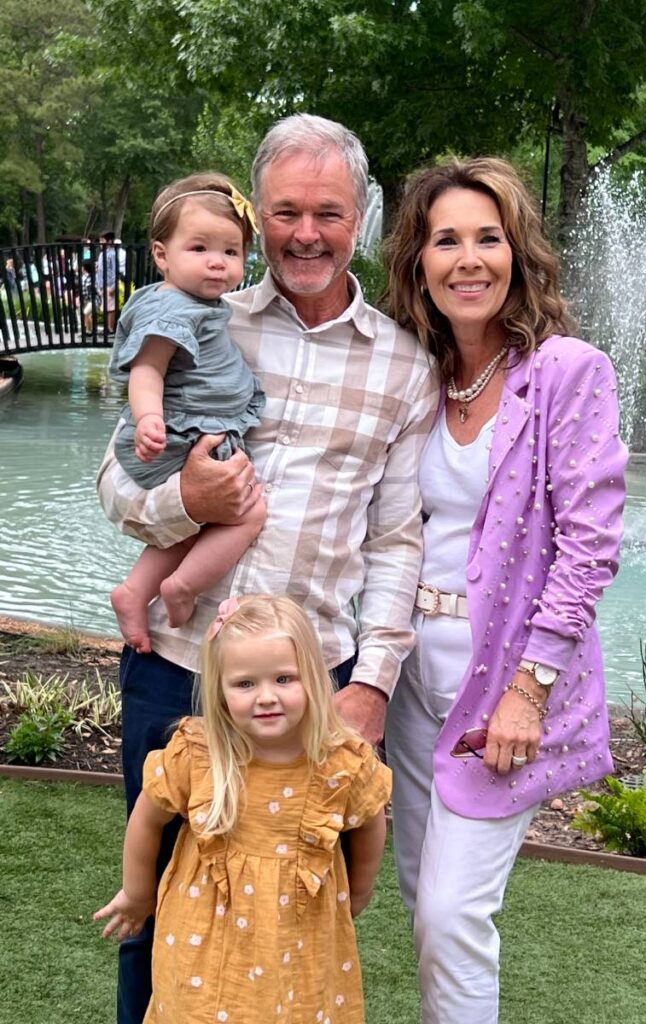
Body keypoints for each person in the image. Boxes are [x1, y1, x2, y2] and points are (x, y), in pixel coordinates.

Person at [96, 114, 439, 1024]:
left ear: (361, 215)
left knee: (294, 921)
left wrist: (371, 683)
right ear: (258, 217)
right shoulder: (202, 319)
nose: (306, 234)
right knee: (158, 907)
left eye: (328, 211)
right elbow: (115, 479)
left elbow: (399, 542)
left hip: (313, 683)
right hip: (178, 664)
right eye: (285, 211)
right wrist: (187, 507)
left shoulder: (406, 366)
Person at [382, 157, 628, 1023]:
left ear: (519, 255)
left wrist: (531, 687)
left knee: (453, 914)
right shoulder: (417, 373)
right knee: (423, 903)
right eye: (446, 239)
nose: (469, 258)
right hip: (412, 683)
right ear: (419, 262)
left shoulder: (566, 370)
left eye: (489, 238)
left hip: (500, 693)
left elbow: (590, 547)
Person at [94, 593, 391, 1024]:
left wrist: (359, 890)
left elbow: (369, 820)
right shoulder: (199, 755)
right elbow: (147, 816)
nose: (265, 697)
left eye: (284, 679)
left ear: (312, 675)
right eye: (245, 683)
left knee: (300, 1007)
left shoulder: (341, 761)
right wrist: (137, 893)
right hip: (203, 936)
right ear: (220, 689)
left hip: (302, 937)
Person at [108, 172, 266, 654]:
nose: (217, 262)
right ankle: (181, 585)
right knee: (247, 512)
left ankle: (136, 590)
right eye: (199, 249)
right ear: (162, 255)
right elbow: (147, 371)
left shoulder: (198, 303)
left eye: (231, 251)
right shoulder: (170, 310)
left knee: (199, 517)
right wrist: (150, 419)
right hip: (180, 435)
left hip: (193, 431)